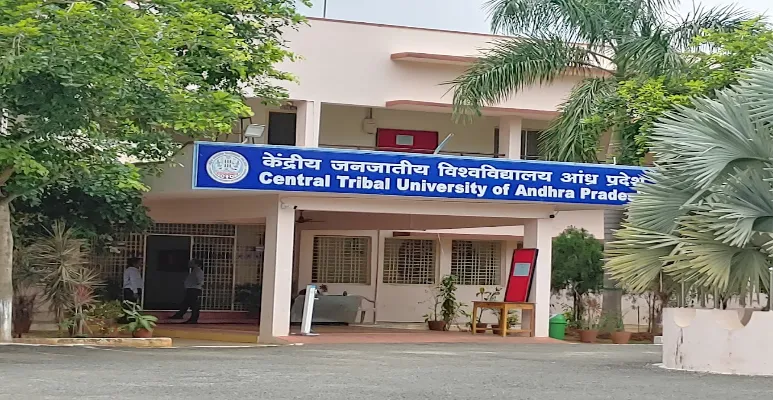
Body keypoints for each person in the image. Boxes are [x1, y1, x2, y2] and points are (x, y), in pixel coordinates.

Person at [170, 259, 204, 324]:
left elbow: (200, 280)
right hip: (191, 289)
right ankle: (179, 315)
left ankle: (193, 319)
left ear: (196, 264)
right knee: (185, 303)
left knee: (193, 305)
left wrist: (198, 284)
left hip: (193, 289)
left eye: (192, 263)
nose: (189, 264)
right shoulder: (195, 271)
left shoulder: (198, 271)